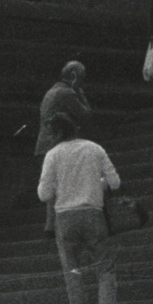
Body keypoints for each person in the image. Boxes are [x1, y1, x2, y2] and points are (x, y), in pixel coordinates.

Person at [37, 114, 124, 304]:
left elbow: (43, 193)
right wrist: (98, 184)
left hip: (65, 219)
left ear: (56, 134)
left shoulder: (52, 155)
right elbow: (115, 183)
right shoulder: (94, 148)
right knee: (105, 265)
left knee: (72, 272)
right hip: (93, 215)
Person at [35, 61, 92, 232]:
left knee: (52, 184)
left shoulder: (51, 91)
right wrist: (81, 93)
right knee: (64, 183)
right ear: (74, 76)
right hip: (58, 143)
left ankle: (50, 224)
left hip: (45, 144)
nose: (83, 82)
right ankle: (58, 223)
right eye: (81, 78)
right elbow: (86, 114)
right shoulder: (66, 93)